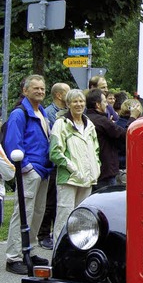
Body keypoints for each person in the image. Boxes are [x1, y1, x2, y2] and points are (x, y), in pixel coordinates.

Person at [4, 74, 53, 275]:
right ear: (25, 91)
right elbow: (12, 143)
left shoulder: (40, 111)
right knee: (22, 213)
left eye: (42, 88)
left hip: (43, 171)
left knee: (37, 212)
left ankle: (29, 250)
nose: (40, 91)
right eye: (36, 88)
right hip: (30, 171)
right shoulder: (19, 114)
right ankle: (14, 257)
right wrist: (27, 167)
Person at [49, 89, 101, 245]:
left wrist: (96, 169)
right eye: (75, 101)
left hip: (87, 178)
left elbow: (96, 151)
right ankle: (59, 251)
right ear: (68, 104)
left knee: (82, 218)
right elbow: (55, 152)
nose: (79, 104)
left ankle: (78, 250)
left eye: (81, 101)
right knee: (64, 217)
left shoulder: (89, 124)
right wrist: (72, 168)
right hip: (69, 179)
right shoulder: (61, 124)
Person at [38, 82, 71, 250]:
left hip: (62, 165)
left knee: (58, 202)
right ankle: (43, 234)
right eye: (68, 92)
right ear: (59, 95)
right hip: (52, 164)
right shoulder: (50, 113)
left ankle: (53, 234)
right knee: (49, 202)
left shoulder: (67, 113)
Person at [85, 88, 126, 192]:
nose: (107, 105)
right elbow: (124, 134)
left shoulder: (86, 118)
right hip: (106, 171)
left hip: (93, 170)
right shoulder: (102, 121)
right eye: (104, 102)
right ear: (98, 105)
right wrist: (132, 118)